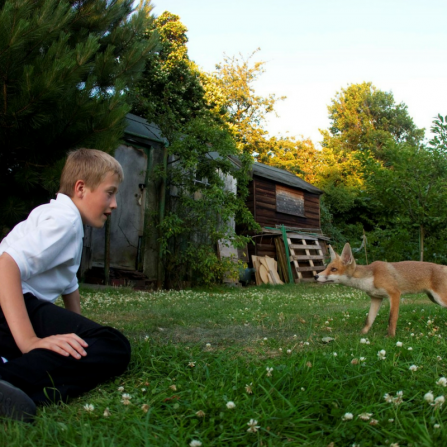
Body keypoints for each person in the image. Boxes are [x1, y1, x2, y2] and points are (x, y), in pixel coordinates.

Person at [0, 148, 131, 422]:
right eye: (110, 192)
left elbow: (68, 282)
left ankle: (22, 390)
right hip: (10, 304)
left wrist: (81, 329)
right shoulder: (65, 221)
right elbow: (6, 264)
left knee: (87, 347)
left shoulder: (60, 216)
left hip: (11, 310)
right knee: (113, 345)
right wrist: (29, 341)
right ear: (81, 188)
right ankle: (11, 378)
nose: (115, 203)